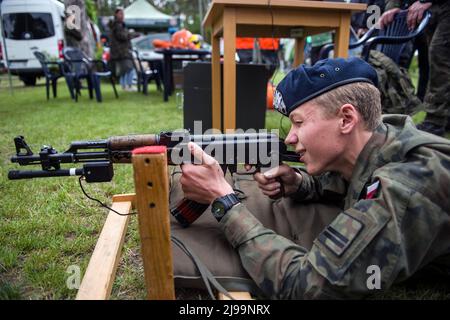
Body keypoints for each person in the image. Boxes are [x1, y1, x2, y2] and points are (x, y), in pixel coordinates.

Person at [174, 57, 450, 299]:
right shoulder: (381, 138)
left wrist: (225, 202)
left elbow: (307, 287)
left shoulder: (405, 186)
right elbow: (356, 180)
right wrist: (301, 184)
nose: (291, 137)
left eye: (299, 122)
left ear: (346, 119)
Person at [379, 0, 450, 136]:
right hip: (434, 9)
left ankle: (435, 121)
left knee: (440, 57)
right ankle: (445, 119)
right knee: (437, 60)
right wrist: (393, 7)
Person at [109, 7, 136, 92]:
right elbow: (122, 36)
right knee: (129, 68)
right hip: (121, 52)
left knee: (124, 69)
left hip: (121, 51)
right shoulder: (117, 25)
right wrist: (130, 34)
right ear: (116, 14)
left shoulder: (119, 25)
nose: (122, 15)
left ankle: (124, 86)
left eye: (123, 13)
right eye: (120, 13)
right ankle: (128, 85)